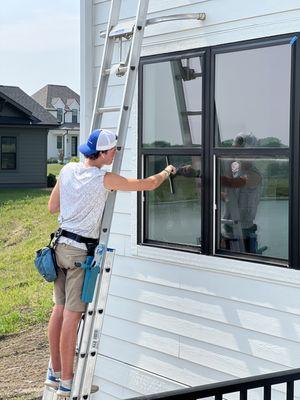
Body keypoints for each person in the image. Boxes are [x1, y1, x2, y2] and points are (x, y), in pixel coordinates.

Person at [45, 128, 176, 397]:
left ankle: (55, 373)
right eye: (113, 150)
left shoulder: (67, 170)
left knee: (58, 311)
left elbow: (52, 208)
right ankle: (68, 382)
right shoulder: (103, 179)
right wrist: (167, 172)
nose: (116, 152)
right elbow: (147, 184)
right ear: (102, 153)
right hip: (80, 254)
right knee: (72, 317)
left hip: (59, 247)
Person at [220, 132, 264, 254]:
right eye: (236, 150)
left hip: (244, 233)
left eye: (240, 151)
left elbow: (232, 183)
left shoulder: (255, 175)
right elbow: (230, 197)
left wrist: (205, 174)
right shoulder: (235, 169)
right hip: (227, 229)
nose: (237, 154)